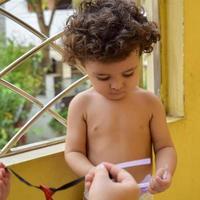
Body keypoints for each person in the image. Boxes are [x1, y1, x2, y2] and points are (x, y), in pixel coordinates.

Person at [63, 0, 177, 199]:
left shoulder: (149, 103)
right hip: (100, 194)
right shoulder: (82, 105)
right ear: (82, 65)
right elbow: (73, 152)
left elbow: (164, 147)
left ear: (140, 56)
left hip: (141, 193)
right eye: (103, 77)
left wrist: (165, 171)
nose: (117, 85)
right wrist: (94, 172)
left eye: (128, 73)